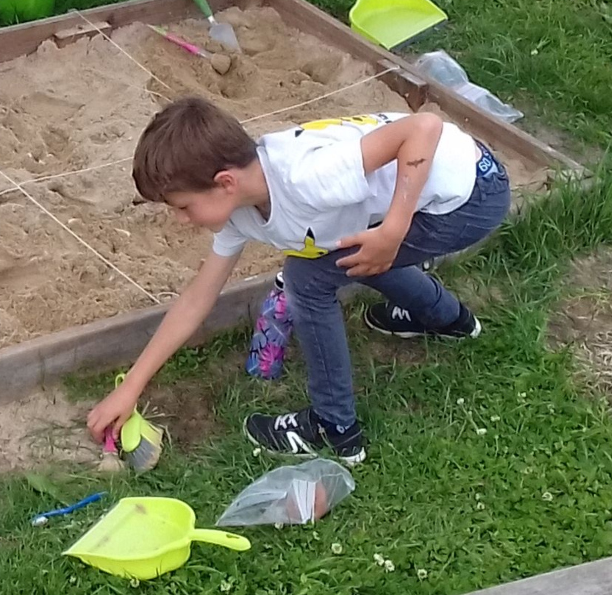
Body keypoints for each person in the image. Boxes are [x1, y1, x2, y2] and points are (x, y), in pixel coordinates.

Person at [86, 97, 511, 465]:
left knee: (307, 276)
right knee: (337, 255)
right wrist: (132, 387)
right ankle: (447, 319)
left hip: (472, 195)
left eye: (183, 207)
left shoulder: (305, 178)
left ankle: (334, 426)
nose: (180, 220)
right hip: (448, 182)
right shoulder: (241, 209)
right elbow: (198, 298)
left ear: (225, 183)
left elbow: (424, 127)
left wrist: (394, 229)